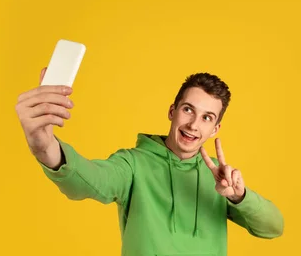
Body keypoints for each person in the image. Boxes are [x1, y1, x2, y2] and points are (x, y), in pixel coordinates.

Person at [15, 68, 284, 256]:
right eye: (188, 109)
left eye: (207, 117)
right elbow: (87, 180)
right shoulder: (133, 164)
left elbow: (274, 228)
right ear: (172, 111)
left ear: (215, 129)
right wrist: (44, 145)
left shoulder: (220, 180)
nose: (193, 125)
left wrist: (240, 197)